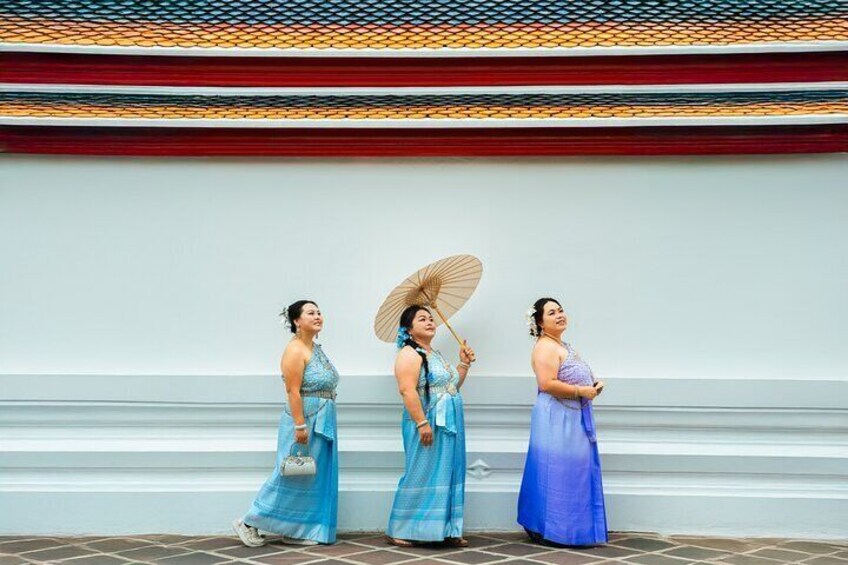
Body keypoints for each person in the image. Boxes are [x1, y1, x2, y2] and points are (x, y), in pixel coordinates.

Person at [233, 300, 339, 546]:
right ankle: (249, 521)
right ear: (296, 321)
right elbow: (292, 391)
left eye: (319, 312)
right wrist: (300, 426)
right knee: (291, 472)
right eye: (310, 313)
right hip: (305, 420)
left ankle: (299, 528)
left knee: (311, 475)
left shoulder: (316, 348)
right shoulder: (295, 350)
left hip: (324, 418)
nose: (318, 316)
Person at [517, 297, 608, 546]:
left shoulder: (562, 344)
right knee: (556, 470)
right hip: (556, 416)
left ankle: (566, 526)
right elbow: (546, 384)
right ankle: (552, 527)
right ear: (539, 322)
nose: (559, 315)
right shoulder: (545, 346)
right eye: (551, 312)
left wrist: (592, 385)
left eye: (560, 310)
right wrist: (581, 392)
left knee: (572, 471)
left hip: (571, 414)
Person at [385, 305, 476, 547]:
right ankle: (401, 528)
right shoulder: (409, 354)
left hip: (448, 423)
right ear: (408, 329)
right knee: (421, 471)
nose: (429, 322)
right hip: (426, 422)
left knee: (448, 471)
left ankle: (445, 528)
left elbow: (451, 386)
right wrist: (422, 422)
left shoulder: (433, 353)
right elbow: (407, 390)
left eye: (431, 318)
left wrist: (463, 364)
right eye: (422, 319)